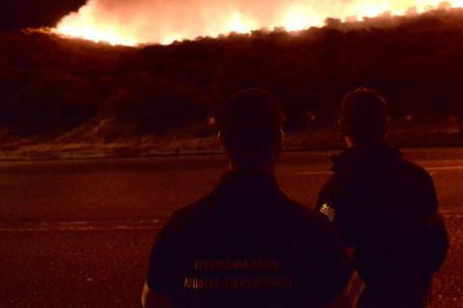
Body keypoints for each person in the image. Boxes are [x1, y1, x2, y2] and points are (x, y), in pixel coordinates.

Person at [142, 88, 355, 307]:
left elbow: (153, 301)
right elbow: (341, 302)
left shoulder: (180, 228)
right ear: (279, 141)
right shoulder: (312, 231)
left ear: (222, 139)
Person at [316, 88, 449, 307]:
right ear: (387, 125)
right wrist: (416, 279)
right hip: (407, 296)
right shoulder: (418, 180)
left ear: (342, 127)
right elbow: (436, 242)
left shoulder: (335, 190)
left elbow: (325, 241)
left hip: (363, 299)